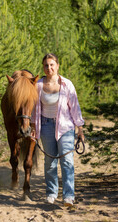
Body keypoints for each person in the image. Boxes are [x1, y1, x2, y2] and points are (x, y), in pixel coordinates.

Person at [31, 53, 85, 207]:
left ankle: (68, 196)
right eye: (46, 65)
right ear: (43, 67)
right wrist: (34, 127)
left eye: (52, 64)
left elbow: (75, 108)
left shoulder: (67, 84)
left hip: (65, 127)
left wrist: (79, 129)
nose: (49, 68)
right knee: (50, 162)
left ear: (57, 66)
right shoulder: (39, 85)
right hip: (46, 125)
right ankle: (51, 193)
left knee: (67, 161)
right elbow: (35, 108)